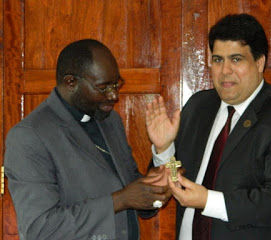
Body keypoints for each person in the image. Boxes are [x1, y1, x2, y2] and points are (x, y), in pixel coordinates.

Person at [146, 14, 271, 240]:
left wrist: (208, 201)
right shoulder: (199, 107)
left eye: (236, 59)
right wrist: (165, 149)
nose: (225, 70)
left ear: (259, 62)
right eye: (218, 60)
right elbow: (178, 181)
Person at [4, 39, 171, 240]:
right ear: (70, 82)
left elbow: (131, 188)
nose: (114, 95)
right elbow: (40, 229)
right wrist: (119, 201)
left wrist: (163, 158)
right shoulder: (29, 136)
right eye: (103, 87)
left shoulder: (110, 121)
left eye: (117, 84)